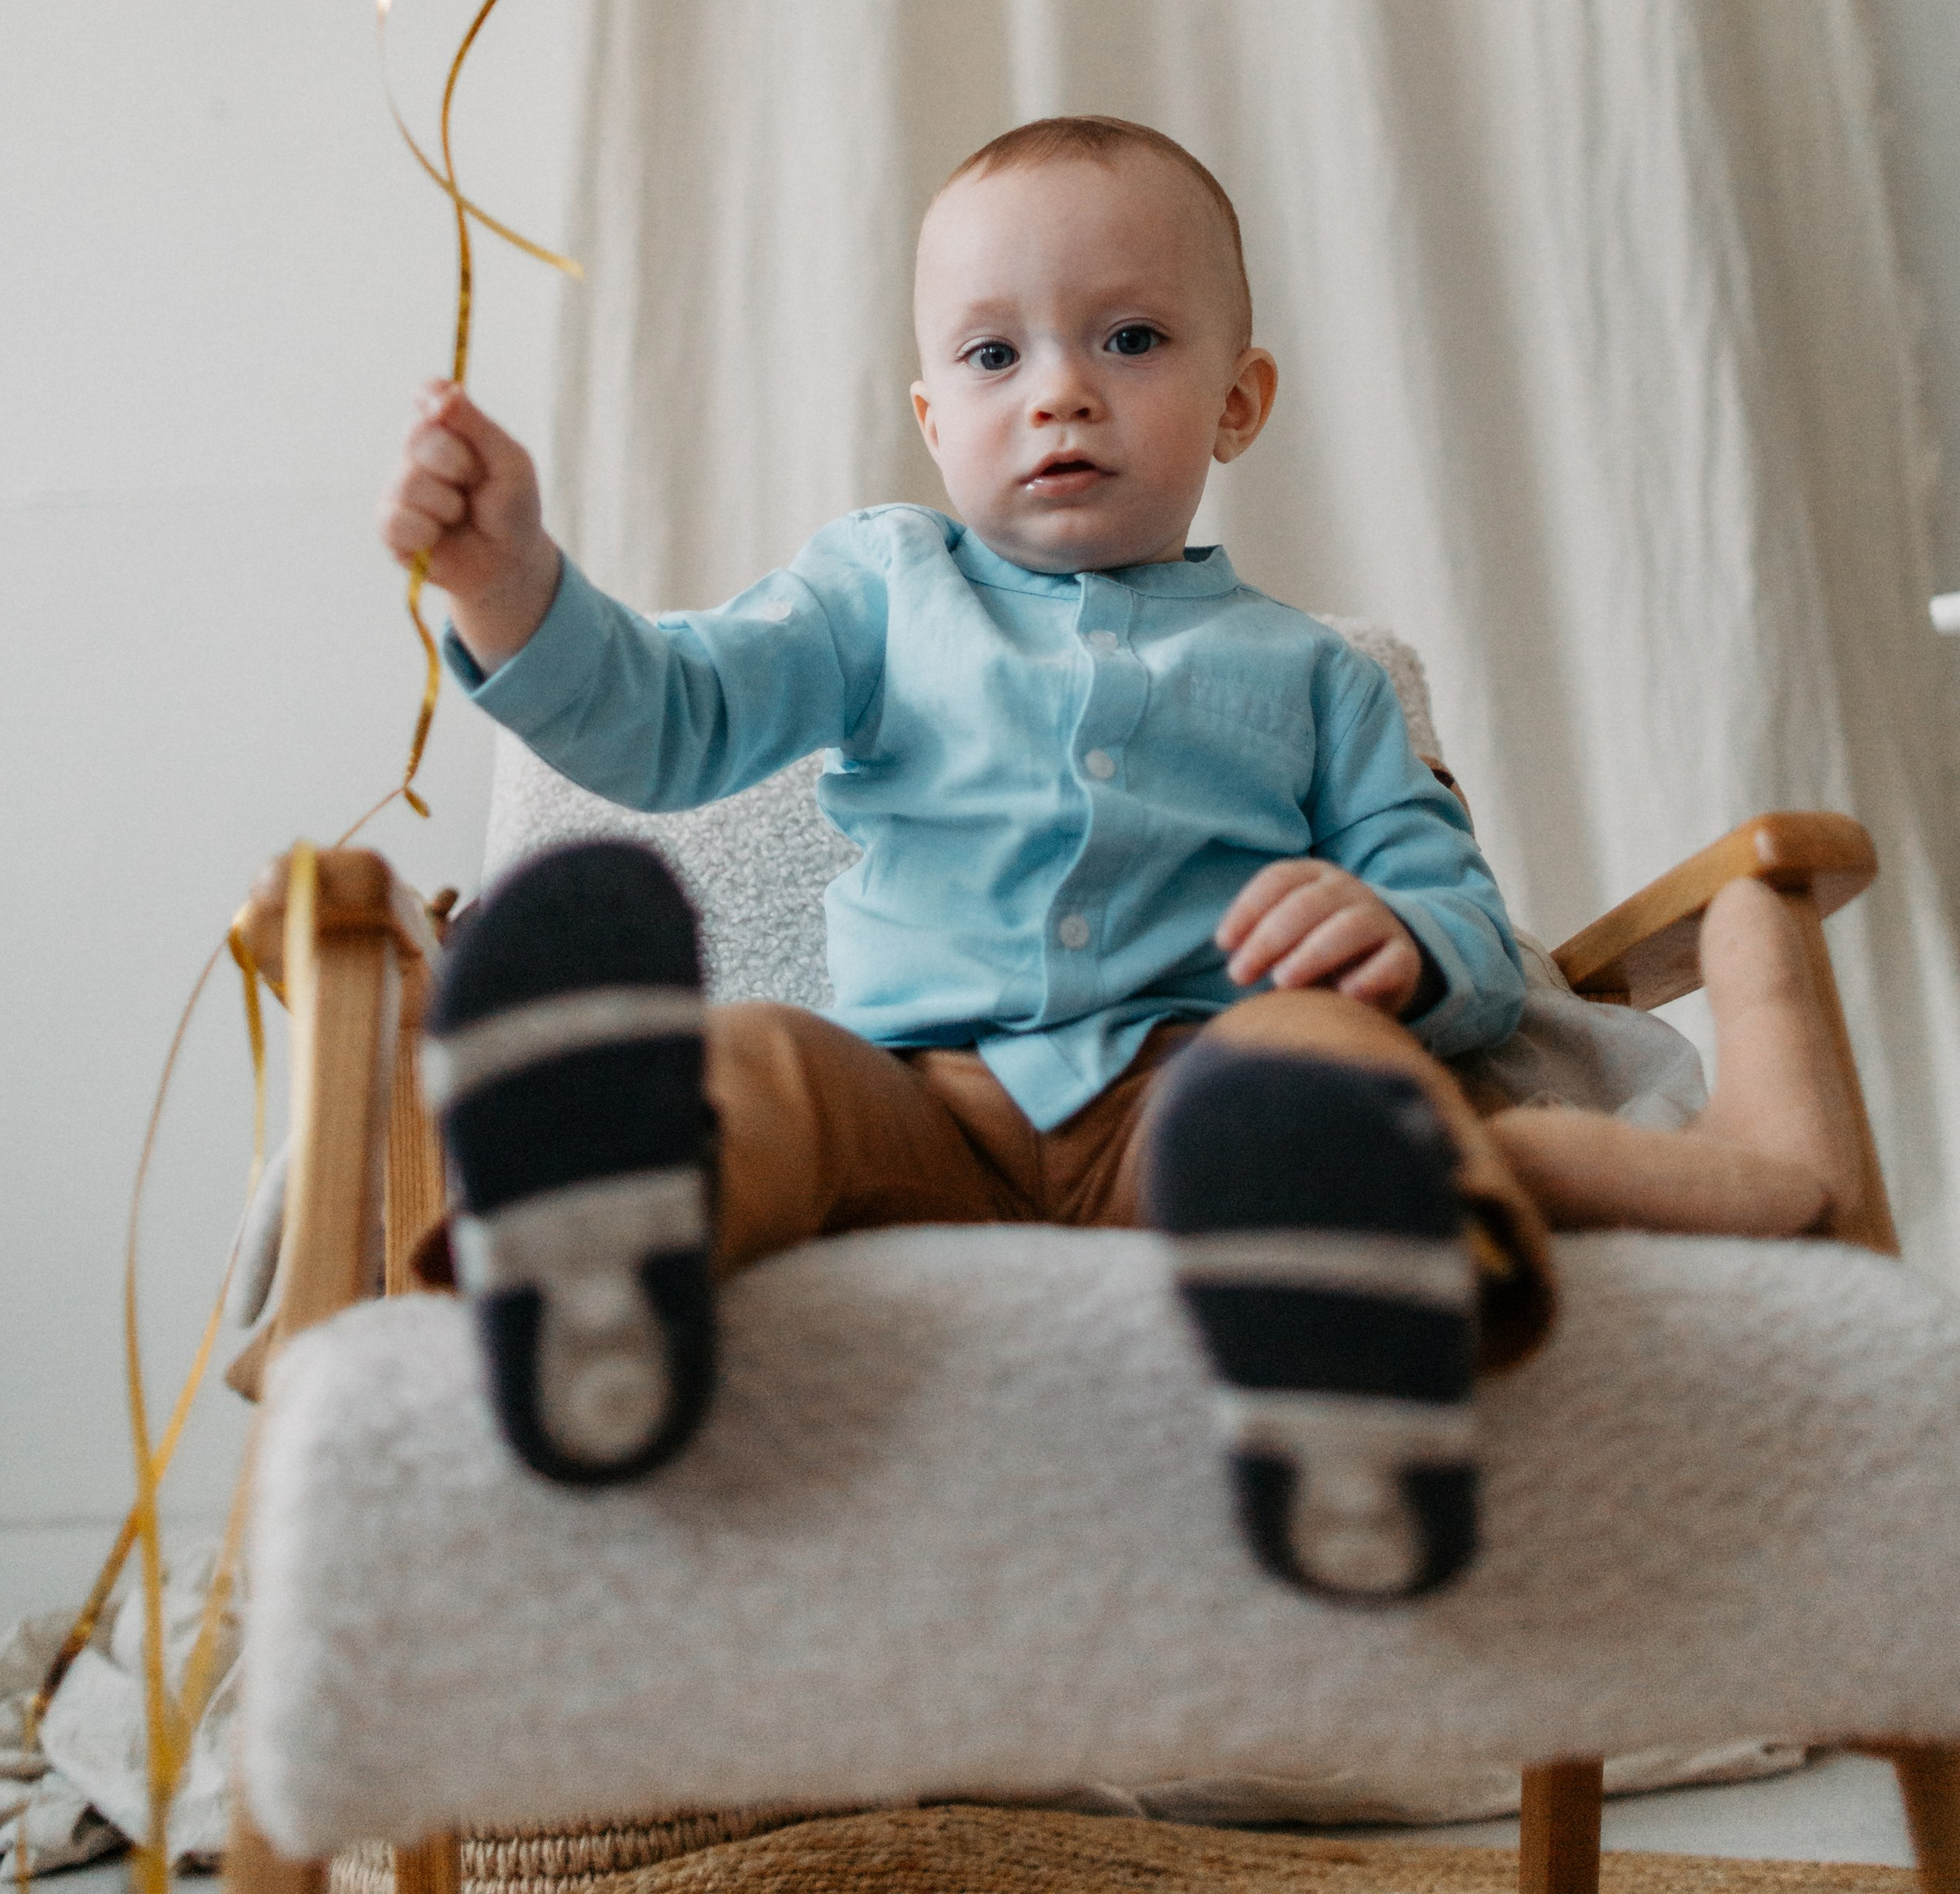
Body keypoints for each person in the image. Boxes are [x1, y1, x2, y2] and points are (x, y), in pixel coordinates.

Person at [384, 114, 1865, 1604]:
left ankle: (1350, 1360)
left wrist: (1402, 946)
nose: (1061, 397)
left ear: (1239, 400)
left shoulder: (1312, 677)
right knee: (761, 1060)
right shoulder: (881, 594)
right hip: (917, 1106)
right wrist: (513, 586)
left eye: (1133, 339)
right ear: (929, 414)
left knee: (1310, 1058)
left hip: (1196, 1109)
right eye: (992, 359)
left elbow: (1465, 926)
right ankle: (605, 1261)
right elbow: (672, 721)